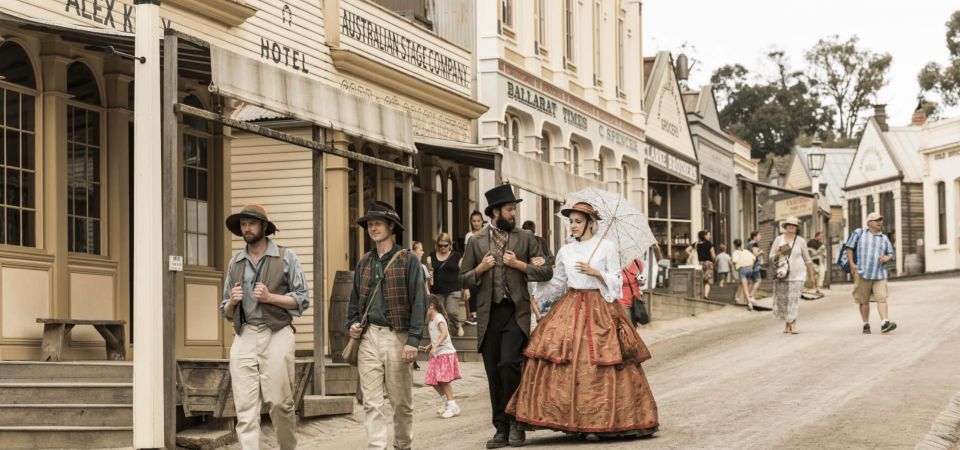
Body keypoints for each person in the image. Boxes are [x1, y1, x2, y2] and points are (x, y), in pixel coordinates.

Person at [507, 202, 659, 442]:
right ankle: (572, 420)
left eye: (578, 221)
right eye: (571, 222)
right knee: (563, 357)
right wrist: (535, 281)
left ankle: (599, 421)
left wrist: (597, 273)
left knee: (601, 361)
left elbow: (618, 282)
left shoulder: (607, 247)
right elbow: (557, 283)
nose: (573, 226)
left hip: (601, 307)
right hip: (571, 303)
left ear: (590, 222)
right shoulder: (566, 250)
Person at [459, 183, 553, 449]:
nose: (514, 213)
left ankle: (516, 422)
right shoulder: (476, 242)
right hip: (489, 316)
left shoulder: (525, 238)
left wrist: (519, 265)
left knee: (509, 364)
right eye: (510, 209)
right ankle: (500, 428)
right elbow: (461, 278)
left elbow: (547, 271)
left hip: (515, 312)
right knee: (493, 373)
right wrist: (480, 268)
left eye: (514, 209)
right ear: (495, 212)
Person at [220, 203, 309, 450]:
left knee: (280, 403)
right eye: (243, 224)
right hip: (244, 335)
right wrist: (232, 303)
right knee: (246, 408)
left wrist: (271, 298)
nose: (246, 228)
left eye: (251, 223)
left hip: (277, 333)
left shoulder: (285, 257)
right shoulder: (235, 262)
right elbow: (225, 310)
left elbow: (302, 299)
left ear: (263, 227)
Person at [345, 201, 427, 450]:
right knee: (371, 402)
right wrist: (352, 324)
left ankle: (403, 445)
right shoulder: (364, 263)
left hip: (398, 336)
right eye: (369, 224)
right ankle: (376, 446)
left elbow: (419, 302)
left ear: (391, 226)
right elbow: (354, 302)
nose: (373, 228)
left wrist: (413, 340)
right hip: (369, 336)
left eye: (378, 223)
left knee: (401, 402)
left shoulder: (409, 260)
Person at [844, 212, 897, 334]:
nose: (879, 222)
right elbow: (849, 248)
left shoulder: (884, 238)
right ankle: (866, 324)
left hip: (879, 273)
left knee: (882, 298)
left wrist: (886, 258)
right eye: (876, 220)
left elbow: (891, 254)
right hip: (862, 272)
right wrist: (852, 264)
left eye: (880, 220)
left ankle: (885, 323)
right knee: (864, 301)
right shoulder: (859, 233)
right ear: (869, 223)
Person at [769, 217, 814, 334]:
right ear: (785, 226)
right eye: (789, 225)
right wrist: (778, 253)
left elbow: (807, 259)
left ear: (796, 228)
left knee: (793, 300)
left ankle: (793, 324)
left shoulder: (801, 241)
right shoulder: (778, 240)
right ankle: (788, 323)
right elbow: (771, 257)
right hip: (781, 274)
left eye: (793, 225)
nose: (791, 227)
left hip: (798, 274)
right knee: (783, 300)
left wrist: (811, 275)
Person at [424, 294, 462, 419]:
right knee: (432, 380)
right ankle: (446, 401)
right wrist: (430, 345)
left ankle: (453, 405)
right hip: (437, 353)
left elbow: (445, 333)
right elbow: (437, 336)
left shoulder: (438, 317)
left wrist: (435, 347)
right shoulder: (430, 320)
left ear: (431, 306)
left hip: (445, 353)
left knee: (444, 381)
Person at [428, 233, 464, 337]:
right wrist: (429, 275)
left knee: (451, 312)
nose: (443, 247)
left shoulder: (456, 255)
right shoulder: (431, 256)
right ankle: (446, 335)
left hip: (454, 289)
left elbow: (463, 272)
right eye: (440, 245)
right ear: (437, 245)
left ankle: (457, 325)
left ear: (450, 244)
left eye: (445, 245)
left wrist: (466, 288)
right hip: (438, 290)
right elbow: (429, 271)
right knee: (441, 315)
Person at [464, 210, 486, 326]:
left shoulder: (487, 233)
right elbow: (466, 252)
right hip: (472, 264)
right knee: (472, 286)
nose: (476, 223)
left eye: (478, 221)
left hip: (485, 262)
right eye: (474, 221)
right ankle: (473, 314)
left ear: (482, 221)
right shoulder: (469, 235)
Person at [731, 238, 757, 310]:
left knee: (745, 287)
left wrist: (734, 266)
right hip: (750, 269)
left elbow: (734, 261)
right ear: (741, 244)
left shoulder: (735, 252)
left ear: (735, 245)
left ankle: (749, 303)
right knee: (742, 283)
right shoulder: (746, 251)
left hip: (742, 270)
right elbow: (754, 258)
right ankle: (737, 298)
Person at [697, 231, 717, 298]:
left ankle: (700, 295)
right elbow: (713, 255)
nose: (710, 236)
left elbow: (687, 250)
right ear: (704, 236)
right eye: (708, 235)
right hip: (708, 263)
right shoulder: (709, 244)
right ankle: (705, 295)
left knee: (700, 279)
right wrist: (714, 261)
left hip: (699, 263)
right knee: (708, 280)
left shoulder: (696, 244)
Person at [746, 231, 764, 299]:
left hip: (749, 265)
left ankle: (748, 297)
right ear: (754, 237)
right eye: (759, 236)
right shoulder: (755, 244)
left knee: (750, 281)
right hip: (755, 265)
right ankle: (751, 295)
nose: (760, 237)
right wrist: (761, 252)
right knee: (758, 280)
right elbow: (755, 254)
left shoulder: (748, 244)